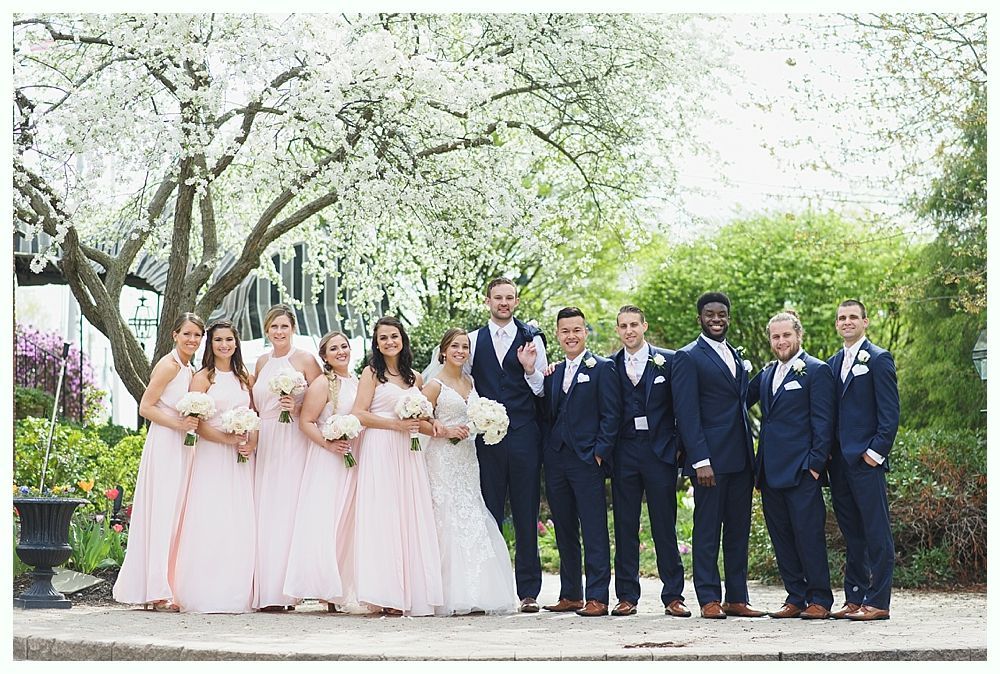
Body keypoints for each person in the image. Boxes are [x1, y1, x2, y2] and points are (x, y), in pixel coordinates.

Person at [671, 292, 765, 619]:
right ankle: (708, 597)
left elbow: (738, 402)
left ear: (728, 317)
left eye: (722, 314)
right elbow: (687, 411)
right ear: (700, 318)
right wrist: (700, 460)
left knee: (738, 530)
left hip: (740, 457)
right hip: (710, 461)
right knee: (708, 530)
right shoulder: (688, 357)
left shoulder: (734, 355)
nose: (716, 319)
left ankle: (737, 597)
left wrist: (766, 375)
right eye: (710, 314)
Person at [421, 328, 518, 616]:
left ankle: (477, 591)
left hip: (468, 457)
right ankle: (445, 593)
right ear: (443, 351)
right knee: (447, 514)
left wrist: (487, 425)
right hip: (442, 458)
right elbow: (420, 420)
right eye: (455, 346)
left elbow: (472, 416)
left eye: (465, 347)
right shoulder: (435, 385)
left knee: (472, 514)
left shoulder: (470, 380)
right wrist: (445, 430)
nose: (460, 351)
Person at [351, 316, 443, 616]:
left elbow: (422, 415)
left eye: (394, 336)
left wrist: (431, 422)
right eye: (383, 338)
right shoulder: (371, 373)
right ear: (376, 344)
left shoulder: (414, 378)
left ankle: (409, 591)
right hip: (380, 448)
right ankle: (384, 592)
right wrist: (395, 424)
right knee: (384, 517)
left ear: (402, 338)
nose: (390, 341)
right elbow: (359, 414)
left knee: (408, 515)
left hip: (409, 451)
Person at [746, 311, 835, 620]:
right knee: (781, 536)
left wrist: (814, 465)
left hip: (801, 471)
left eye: (786, 335)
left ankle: (820, 599)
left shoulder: (816, 370)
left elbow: (823, 422)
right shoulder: (768, 373)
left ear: (799, 336)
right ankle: (795, 596)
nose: (781, 341)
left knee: (808, 536)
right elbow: (737, 398)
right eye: (775, 336)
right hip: (769, 472)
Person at [113, 312, 205, 611]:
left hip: (184, 444)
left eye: (197, 335)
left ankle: (165, 584)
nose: (192, 340)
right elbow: (146, 407)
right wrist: (178, 425)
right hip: (166, 442)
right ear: (174, 335)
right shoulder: (167, 366)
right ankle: (154, 590)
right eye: (187, 334)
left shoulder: (189, 368)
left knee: (176, 514)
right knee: (162, 512)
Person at [466, 277, 547, 612]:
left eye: (509, 298)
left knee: (527, 512)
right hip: (486, 441)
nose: (504, 303)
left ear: (516, 301)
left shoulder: (533, 339)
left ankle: (528, 592)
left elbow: (542, 388)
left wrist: (529, 370)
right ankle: (490, 590)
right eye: (498, 297)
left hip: (525, 435)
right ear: (487, 301)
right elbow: (464, 385)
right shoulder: (471, 340)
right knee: (489, 512)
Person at [609, 305, 690, 618]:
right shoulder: (610, 366)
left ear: (644, 326)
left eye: (634, 324)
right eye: (623, 326)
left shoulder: (668, 361)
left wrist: (679, 448)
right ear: (618, 330)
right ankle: (627, 596)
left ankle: (674, 596)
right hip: (624, 452)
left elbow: (683, 406)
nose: (629, 330)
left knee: (664, 526)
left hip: (660, 453)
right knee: (625, 526)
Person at [541, 307, 622, 617]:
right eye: (565, 331)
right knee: (564, 528)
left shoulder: (602, 368)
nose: (571, 336)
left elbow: (612, 414)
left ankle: (598, 597)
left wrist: (600, 452)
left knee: (594, 528)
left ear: (585, 332)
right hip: (557, 460)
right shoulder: (554, 372)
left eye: (576, 330)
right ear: (558, 335)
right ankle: (571, 594)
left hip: (588, 460)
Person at [172, 320, 257, 613]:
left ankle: (235, 592)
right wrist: (226, 438)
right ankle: (204, 591)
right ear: (211, 344)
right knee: (211, 516)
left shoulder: (246, 376)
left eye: (229, 340)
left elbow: (254, 414)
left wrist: (251, 442)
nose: (224, 345)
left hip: (240, 459)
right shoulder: (203, 378)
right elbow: (197, 424)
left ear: (236, 343)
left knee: (238, 519)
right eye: (219, 340)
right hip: (211, 456)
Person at [826, 299, 900, 621]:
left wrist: (874, 454)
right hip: (839, 465)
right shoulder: (831, 363)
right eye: (842, 318)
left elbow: (890, 415)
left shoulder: (879, 359)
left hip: (865, 462)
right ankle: (853, 598)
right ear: (837, 324)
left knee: (876, 532)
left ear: (865, 322)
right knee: (851, 533)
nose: (847, 322)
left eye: (853, 317)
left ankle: (878, 602)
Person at [251, 304, 322, 611]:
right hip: (266, 438)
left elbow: (324, 397)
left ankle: (288, 591)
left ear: (293, 329)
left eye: (284, 326)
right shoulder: (261, 361)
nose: (279, 332)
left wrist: (296, 405)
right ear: (267, 330)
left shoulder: (305, 359)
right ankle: (266, 589)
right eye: (273, 327)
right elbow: (254, 405)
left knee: (288, 510)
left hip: (293, 437)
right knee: (264, 510)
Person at [283, 331, 360, 611]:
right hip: (327, 459)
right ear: (324, 356)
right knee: (326, 519)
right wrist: (329, 444)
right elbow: (306, 422)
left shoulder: (358, 381)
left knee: (347, 521)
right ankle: (324, 588)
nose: (341, 352)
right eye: (334, 349)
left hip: (352, 458)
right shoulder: (322, 384)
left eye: (344, 346)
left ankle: (342, 586)